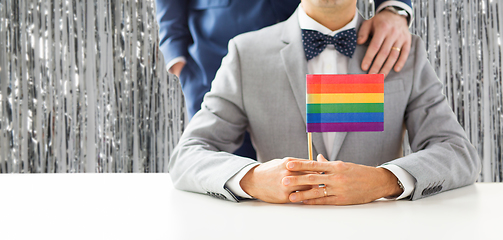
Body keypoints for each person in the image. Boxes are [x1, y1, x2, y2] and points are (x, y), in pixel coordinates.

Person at [169, 0, 480, 205]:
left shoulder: (404, 53)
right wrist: (253, 179)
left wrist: (384, 181)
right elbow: (188, 155)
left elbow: (458, 152)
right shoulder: (245, 53)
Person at [156, 0, 414, 159]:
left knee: (338, 154)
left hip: (316, 36)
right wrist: (174, 48)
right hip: (213, 50)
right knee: (223, 178)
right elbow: (195, 157)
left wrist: (393, 7)